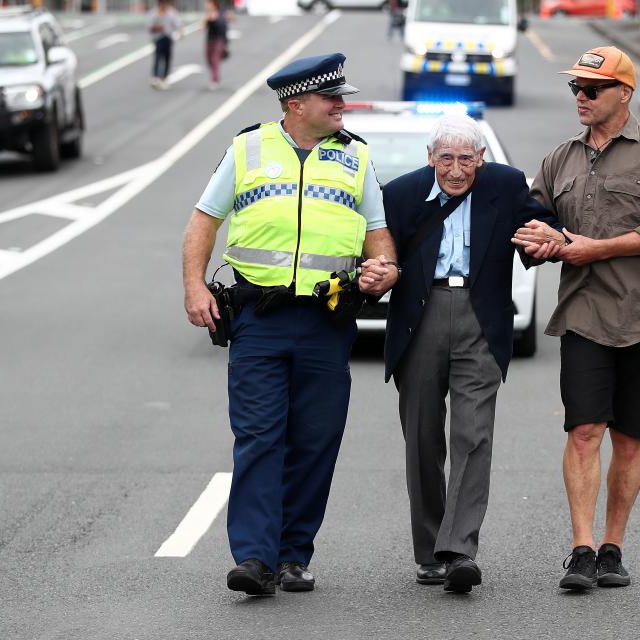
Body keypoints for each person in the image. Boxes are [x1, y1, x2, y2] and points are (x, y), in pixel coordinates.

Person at [181, 53, 399, 596]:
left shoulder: (356, 158)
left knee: (315, 440)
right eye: (333, 99)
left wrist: (386, 270)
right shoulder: (247, 148)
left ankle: (293, 554)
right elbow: (203, 222)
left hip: (327, 321)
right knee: (258, 436)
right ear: (296, 104)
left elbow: (378, 231)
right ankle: (254, 558)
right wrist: (194, 286)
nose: (342, 106)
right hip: (259, 318)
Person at [514, 46, 640, 590]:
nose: (580, 98)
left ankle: (614, 545)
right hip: (584, 315)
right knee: (585, 430)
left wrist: (596, 249)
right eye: (575, 88)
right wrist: (538, 237)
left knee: (630, 438)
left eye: (592, 89)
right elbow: (532, 219)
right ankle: (582, 548)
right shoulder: (559, 159)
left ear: (624, 93)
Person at [380, 114, 562, 594]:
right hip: (422, 316)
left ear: (481, 159)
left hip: (481, 318)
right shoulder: (400, 195)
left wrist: (545, 239)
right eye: (446, 159)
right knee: (421, 436)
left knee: (473, 433)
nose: (456, 170)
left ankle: (459, 549)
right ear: (430, 158)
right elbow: (377, 253)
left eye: (466, 159)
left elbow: (541, 224)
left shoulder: (503, 185)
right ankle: (429, 552)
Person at [148, 0, 182, 90]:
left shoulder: (171, 12)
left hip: (168, 37)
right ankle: (155, 77)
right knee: (158, 57)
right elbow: (149, 26)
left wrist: (180, 31)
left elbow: (177, 23)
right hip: (158, 38)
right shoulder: (154, 13)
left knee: (167, 58)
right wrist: (158, 27)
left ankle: (165, 77)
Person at [203, 0, 231, 90]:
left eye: (208, 3)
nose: (207, 5)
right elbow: (202, 27)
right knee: (209, 59)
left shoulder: (221, 13)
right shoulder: (207, 15)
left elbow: (225, 26)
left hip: (219, 40)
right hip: (210, 40)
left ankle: (215, 80)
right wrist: (206, 18)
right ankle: (214, 77)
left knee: (215, 59)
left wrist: (225, 43)